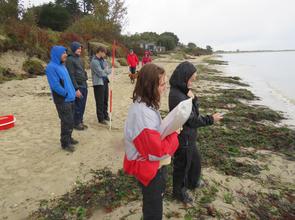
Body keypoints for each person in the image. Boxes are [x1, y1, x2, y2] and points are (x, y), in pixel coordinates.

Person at [123, 63, 179, 220]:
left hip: (151, 165)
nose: (165, 88)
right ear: (149, 86)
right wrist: (174, 133)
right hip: (149, 169)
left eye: (165, 83)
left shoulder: (145, 104)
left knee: (152, 203)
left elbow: (153, 137)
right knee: (153, 210)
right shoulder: (142, 113)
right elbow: (156, 152)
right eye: (162, 84)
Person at [168, 61, 223, 204]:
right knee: (182, 166)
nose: (193, 82)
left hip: (189, 136)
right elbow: (192, 120)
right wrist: (211, 119)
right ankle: (178, 193)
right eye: (191, 79)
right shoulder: (177, 95)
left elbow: (194, 112)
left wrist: (194, 98)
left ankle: (193, 182)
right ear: (184, 76)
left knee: (195, 162)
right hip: (184, 137)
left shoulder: (182, 90)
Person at [45, 45, 78, 152]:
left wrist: (73, 92)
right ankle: (65, 143)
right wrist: (65, 93)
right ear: (57, 54)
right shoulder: (51, 67)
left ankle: (69, 137)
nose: (66, 55)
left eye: (66, 53)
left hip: (71, 98)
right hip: (62, 100)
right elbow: (55, 85)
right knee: (66, 121)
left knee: (71, 120)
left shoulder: (62, 66)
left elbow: (68, 81)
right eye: (63, 53)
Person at [66, 41, 88, 130]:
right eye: (78, 48)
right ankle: (76, 123)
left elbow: (83, 70)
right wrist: (76, 89)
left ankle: (80, 121)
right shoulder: (70, 60)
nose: (80, 50)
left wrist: (85, 76)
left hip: (84, 84)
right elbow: (71, 75)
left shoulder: (80, 59)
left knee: (82, 105)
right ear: (74, 48)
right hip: (78, 86)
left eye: (80, 48)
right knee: (77, 106)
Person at [90, 46, 111, 125]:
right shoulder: (94, 61)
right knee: (100, 101)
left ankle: (105, 115)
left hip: (105, 81)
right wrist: (105, 70)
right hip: (98, 83)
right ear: (100, 52)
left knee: (105, 99)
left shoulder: (104, 60)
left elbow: (109, 70)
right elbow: (100, 73)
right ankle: (101, 118)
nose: (105, 55)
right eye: (104, 53)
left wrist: (105, 70)